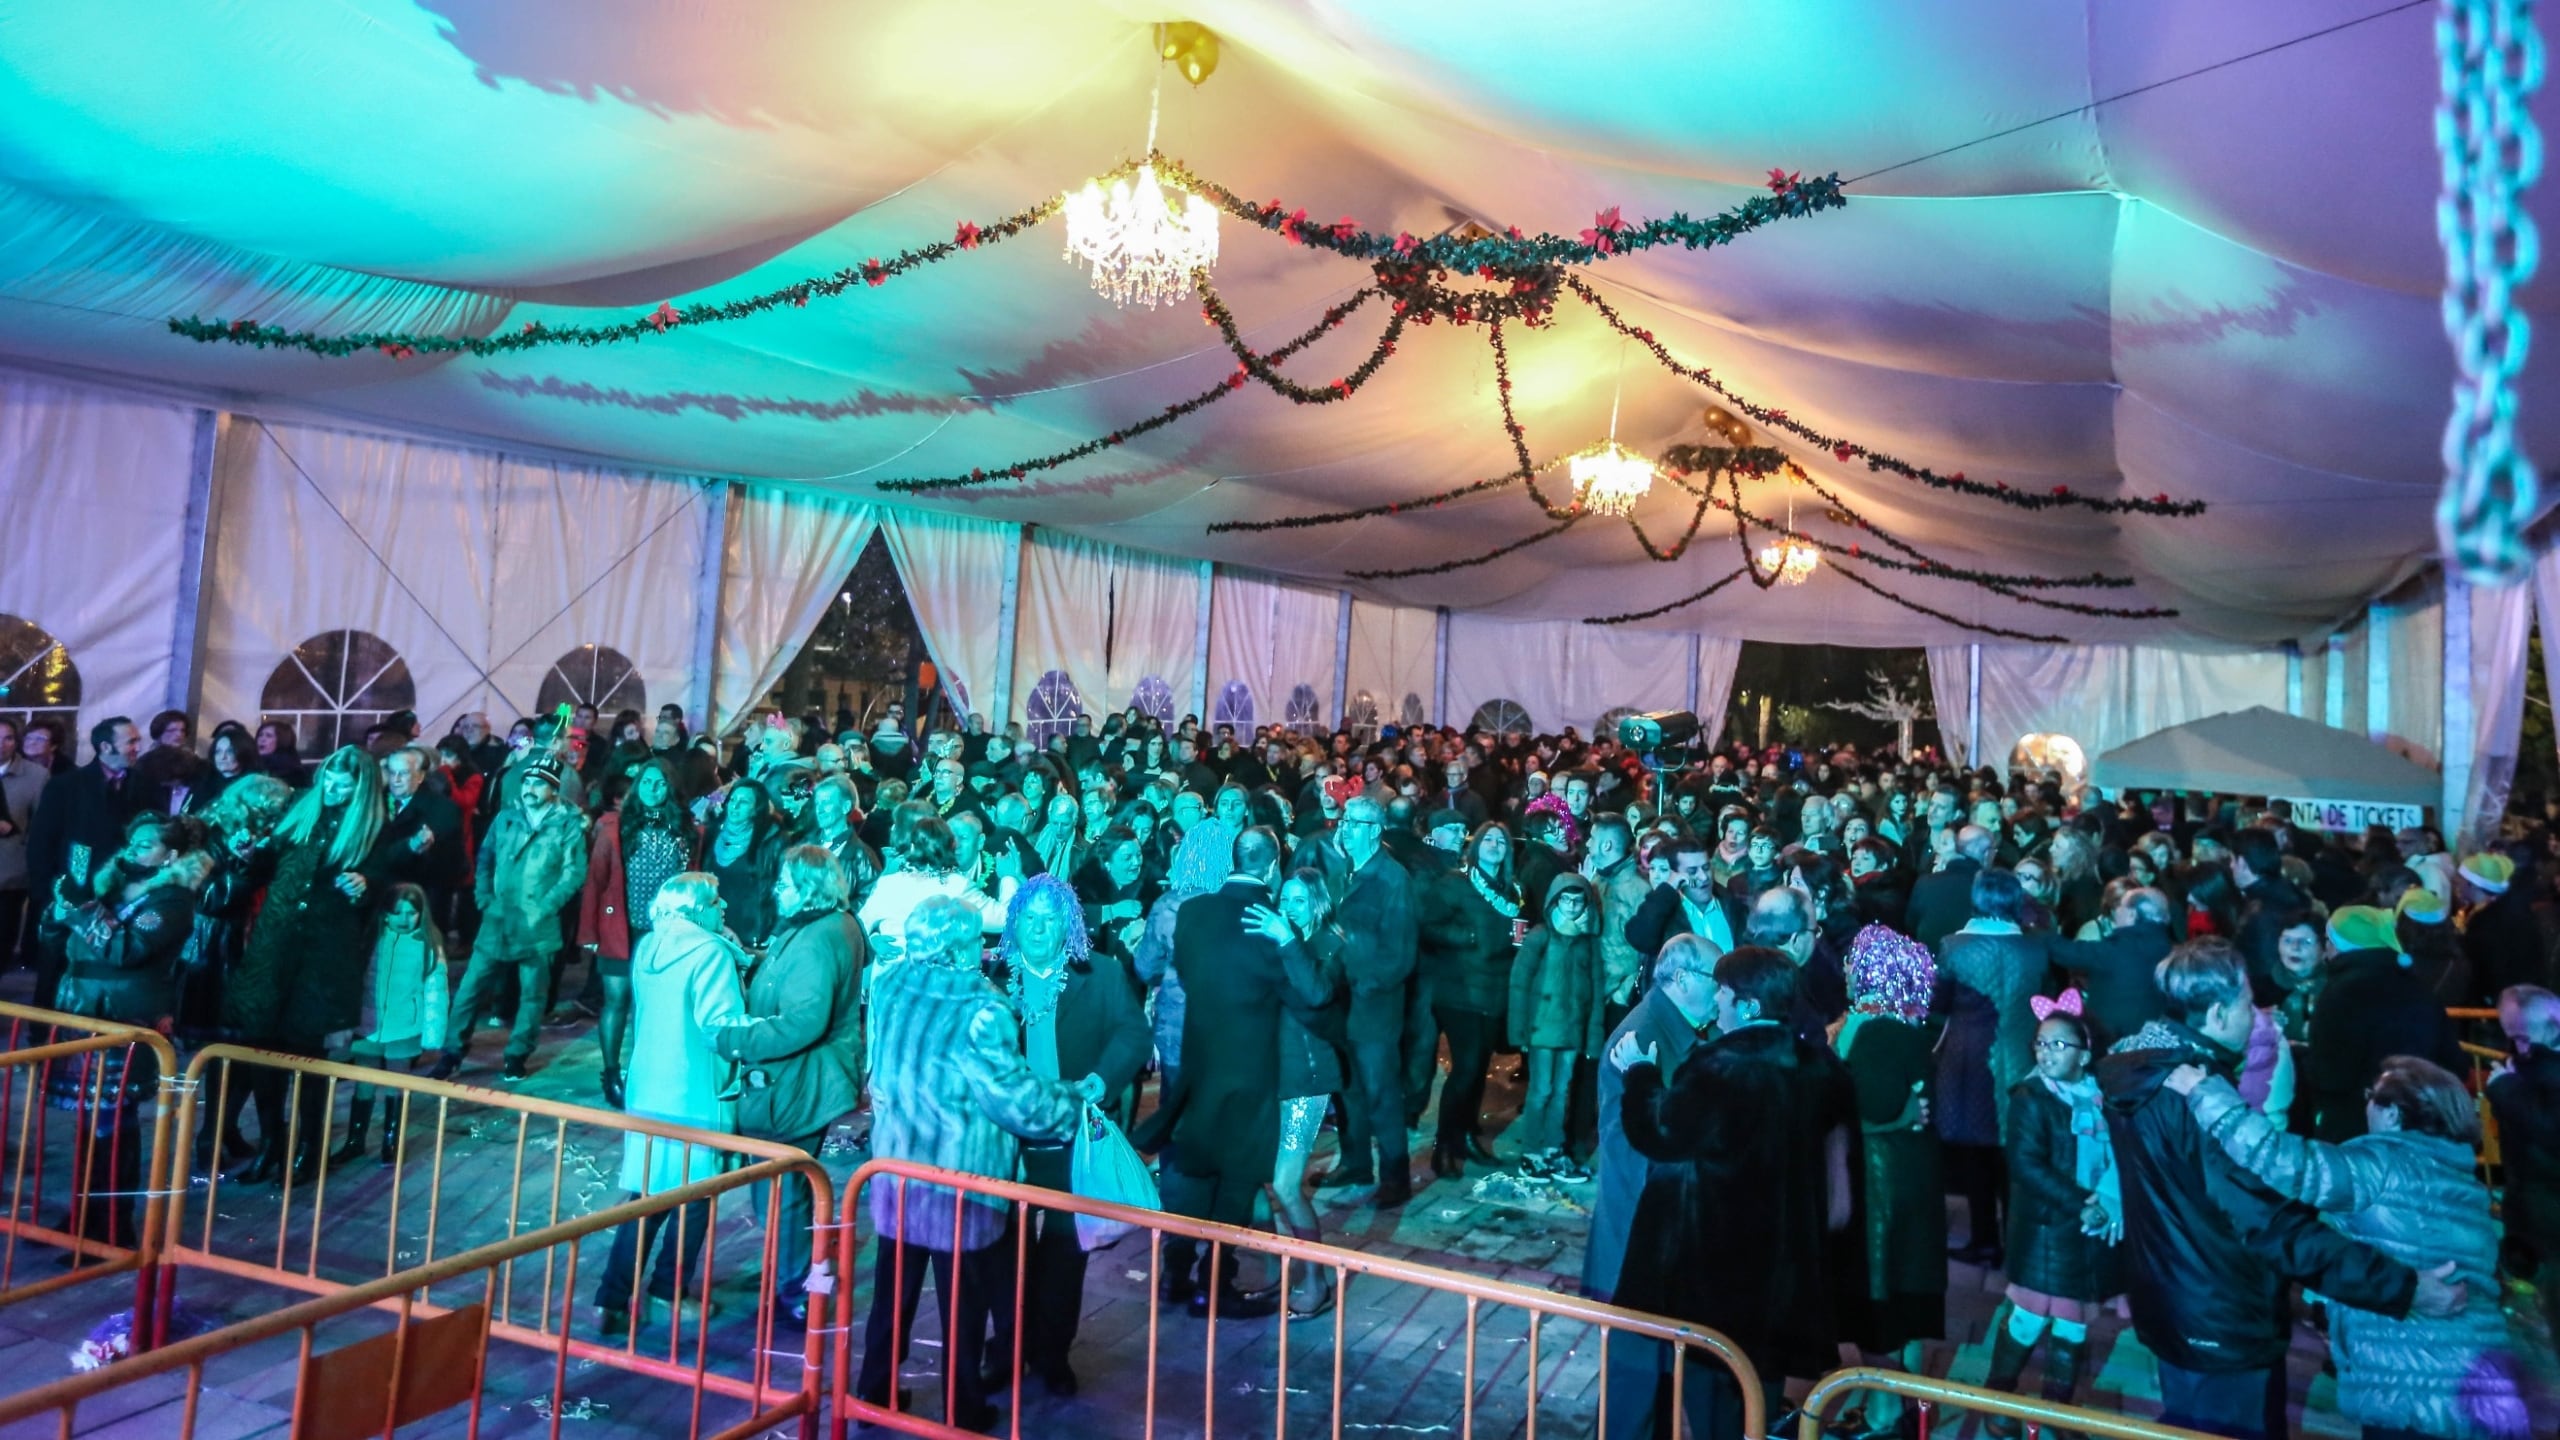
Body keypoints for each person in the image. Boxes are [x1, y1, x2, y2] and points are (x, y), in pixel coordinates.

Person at [2096, 939, 2458, 1440]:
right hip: (2221, 1313)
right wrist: (2404, 1287)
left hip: (2175, 1297)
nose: (2257, 1013)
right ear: (2219, 1013)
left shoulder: (2143, 1071)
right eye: (2248, 1003)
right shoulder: (2196, 1099)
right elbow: (2269, 1225)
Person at [2163, 1055, 2529, 1440]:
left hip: (2415, 1389)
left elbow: (2286, 1162)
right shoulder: (2465, 1185)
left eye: (2372, 1097)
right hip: (2485, 1385)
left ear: (2392, 1113)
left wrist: (2206, 1094)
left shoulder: (2381, 1163)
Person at [1605, 947, 1858, 1440]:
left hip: (1716, 1273)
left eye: (1722, 990)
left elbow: (1660, 1132)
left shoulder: (1722, 1068)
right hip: (1784, 1270)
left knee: (1714, 1395)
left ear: (1746, 1005)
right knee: (1757, 1396)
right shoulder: (1821, 1068)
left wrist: (1639, 1073)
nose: (1715, 999)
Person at [856, 895, 1088, 1432]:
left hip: (897, 1169)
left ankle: (874, 1392)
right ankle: (962, 1407)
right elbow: (1011, 1097)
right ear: (962, 947)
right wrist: (1068, 1106)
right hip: (960, 1178)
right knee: (963, 1300)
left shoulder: (889, 984)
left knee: (893, 1292)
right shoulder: (980, 1008)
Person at [1135, 826, 1328, 1320]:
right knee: (1237, 1183)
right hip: (1248, 1077)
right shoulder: (1267, 921)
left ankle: (1175, 1273)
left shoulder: (1193, 913)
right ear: (1271, 865)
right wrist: (1287, 942)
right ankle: (1213, 1286)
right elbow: (1312, 995)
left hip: (1195, 1066)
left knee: (1190, 1175)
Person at [979, 874, 1149, 1394]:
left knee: (1062, 1254)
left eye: (1049, 920)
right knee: (1003, 1252)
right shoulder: (990, 974)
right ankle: (1004, 1350)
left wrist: (1103, 1077)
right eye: (1028, 919)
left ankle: (1052, 1352)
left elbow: (1132, 1032)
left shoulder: (1099, 973)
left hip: (1068, 1134)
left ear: (1068, 924)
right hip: (1004, 1137)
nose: (1037, 929)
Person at [222, 745, 394, 1185]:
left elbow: (386, 880)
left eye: (345, 782)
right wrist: (249, 853)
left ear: (362, 787)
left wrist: (367, 882)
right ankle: (271, 1143)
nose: (334, 788)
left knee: (309, 1056)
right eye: (330, 778)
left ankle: (310, 1150)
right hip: (273, 947)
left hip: (321, 953)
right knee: (262, 1046)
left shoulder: (373, 828)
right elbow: (267, 866)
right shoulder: (301, 809)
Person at [594, 874, 751, 1337]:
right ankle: (668, 1289)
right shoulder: (710, 954)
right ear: (694, 907)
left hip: (651, 1085)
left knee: (647, 1192)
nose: (722, 905)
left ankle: (613, 1296)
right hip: (694, 1088)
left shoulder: (649, 948)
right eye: (714, 899)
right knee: (695, 1194)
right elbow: (720, 1025)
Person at [714, 845, 865, 1325]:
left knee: (782, 1190)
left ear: (809, 889)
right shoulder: (821, 926)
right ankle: (796, 1275)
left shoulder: (819, 938)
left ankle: (797, 1286)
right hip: (804, 1083)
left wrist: (734, 1039)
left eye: (786, 883)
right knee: (787, 1187)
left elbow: (803, 1021)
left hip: (799, 1085)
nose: (777, 890)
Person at [48, 819, 211, 1245]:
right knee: (88, 1121)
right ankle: (82, 1219)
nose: (133, 851)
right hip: (83, 1008)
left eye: (146, 845)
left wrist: (83, 910)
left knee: (114, 1123)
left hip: (125, 1019)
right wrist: (60, 908)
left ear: (171, 856)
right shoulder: (112, 886)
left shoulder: (172, 901)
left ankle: (115, 1227)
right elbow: (59, 939)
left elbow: (127, 951)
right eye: (131, 842)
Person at [1982, 994, 2123, 1430]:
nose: (2046, 1053)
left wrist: (2108, 1199)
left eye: (2058, 1045)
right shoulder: (2031, 1097)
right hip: (2047, 1228)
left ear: (2085, 1052)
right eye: (2041, 1044)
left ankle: (2055, 1414)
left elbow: (2120, 1151)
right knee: (2027, 1317)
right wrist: (2084, 1202)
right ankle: (1997, 1405)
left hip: (2089, 1229)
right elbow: (2026, 1165)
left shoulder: (2103, 1096)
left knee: (2073, 1324)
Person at [1835, 924, 1945, 1434]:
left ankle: (1884, 1410)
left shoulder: (1877, 1031)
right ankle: (1905, 1401)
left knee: (1882, 1292)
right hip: (1907, 1177)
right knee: (1907, 1293)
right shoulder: (1904, 1029)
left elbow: (1874, 1108)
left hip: (1881, 1182)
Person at [435, 754, 587, 1082]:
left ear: (553, 789)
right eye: (528, 782)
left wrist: (547, 905)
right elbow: (486, 857)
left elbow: (573, 872)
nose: (530, 788)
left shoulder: (567, 824)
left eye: (539, 783)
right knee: (470, 989)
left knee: (533, 994)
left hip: (537, 923)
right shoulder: (506, 817)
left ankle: (518, 1053)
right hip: (498, 918)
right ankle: (452, 1051)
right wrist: (484, 898)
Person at [1585, 934, 1715, 1304]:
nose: (1720, 991)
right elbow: (1629, 1137)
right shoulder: (1643, 1037)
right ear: (1683, 979)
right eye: (1713, 978)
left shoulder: (1677, 1028)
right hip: (1640, 1207)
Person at [576, 757, 699, 1108]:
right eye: (646, 782)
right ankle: (611, 1072)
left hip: (667, 930)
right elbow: (595, 881)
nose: (652, 790)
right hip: (620, 928)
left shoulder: (686, 828)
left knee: (654, 1004)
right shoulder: (614, 826)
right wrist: (589, 931)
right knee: (616, 1000)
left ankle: (647, 1070)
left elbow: (694, 879)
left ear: (671, 789)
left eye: (660, 783)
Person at [1937, 867, 2045, 1267]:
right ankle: (2019, 1243)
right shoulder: (2035, 949)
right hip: (2021, 1055)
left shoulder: (1954, 945)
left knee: (1977, 1156)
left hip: (1969, 1057)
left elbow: (1939, 1001)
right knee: (2013, 1155)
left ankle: (1985, 1241)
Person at [1316, 795, 1418, 1203]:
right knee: (1349, 1087)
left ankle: (1396, 1176)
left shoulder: (1393, 880)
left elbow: (1401, 952)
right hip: (1343, 1000)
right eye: (1343, 821)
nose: (1345, 828)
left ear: (1374, 831)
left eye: (1354, 823)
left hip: (1374, 1005)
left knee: (1380, 1090)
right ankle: (1355, 1161)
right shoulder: (1345, 872)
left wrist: (1367, 982)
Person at [1262, 867, 1348, 1316]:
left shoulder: (1330, 946)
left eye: (1298, 900)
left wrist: (1287, 941)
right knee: (1266, 1181)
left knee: (1286, 1184)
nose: (1288, 908)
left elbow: (1316, 994)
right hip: (1274, 1076)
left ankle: (1316, 1279)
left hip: (1308, 1081)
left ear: (1317, 903)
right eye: (1285, 899)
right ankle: (1286, 1266)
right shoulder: (1283, 945)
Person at [2303, 905, 2464, 1141]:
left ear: (2338, 945)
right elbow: (2450, 1058)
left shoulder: (2340, 994)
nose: (2326, 950)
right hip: (2419, 1120)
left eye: (2327, 941)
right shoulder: (2416, 987)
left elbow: (2331, 1074)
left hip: (2356, 1125)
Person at [1417, 820, 1522, 1178]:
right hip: (1459, 991)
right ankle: (1444, 1146)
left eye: (1501, 841)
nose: (1495, 845)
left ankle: (1465, 1135)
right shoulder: (1455, 884)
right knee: (1466, 1068)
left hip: (1495, 990)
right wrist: (1467, 935)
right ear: (1475, 847)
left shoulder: (1512, 890)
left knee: (1478, 1070)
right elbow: (1428, 925)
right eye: (1488, 839)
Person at [326, 882, 448, 1167]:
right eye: (397, 912)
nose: (404, 919)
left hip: (405, 1026)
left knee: (397, 1083)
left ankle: (391, 1140)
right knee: (364, 1082)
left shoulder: (428, 945)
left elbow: (436, 993)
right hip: (369, 1023)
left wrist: (433, 1035)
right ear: (385, 913)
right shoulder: (373, 939)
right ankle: (355, 1140)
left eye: (411, 913)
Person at [26, 715, 143, 1006]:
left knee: (109, 966)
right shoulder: (67, 785)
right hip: (72, 893)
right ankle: (44, 1035)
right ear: (106, 747)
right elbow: (41, 842)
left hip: (123, 896)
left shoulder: (145, 785)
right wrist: (46, 894)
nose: (137, 747)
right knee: (57, 965)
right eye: (130, 741)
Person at [1508, 872, 1604, 1181]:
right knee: (1541, 1091)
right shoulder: (1540, 936)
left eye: (1579, 901)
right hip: (1542, 1027)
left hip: (1572, 1028)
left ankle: (1552, 1148)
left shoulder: (1588, 940)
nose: (1573, 906)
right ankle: (1532, 1151)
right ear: (1555, 901)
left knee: (1561, 1090)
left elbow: (1595, 991)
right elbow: (1520, 983)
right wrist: (1519, 1031)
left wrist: (1593, 1038)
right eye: (1567, 899)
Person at [2487, 985, 2560, 1340]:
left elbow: (2551, 1126)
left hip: (2547, 1192)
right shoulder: (2535, 1057)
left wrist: (2503, 1087)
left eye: (2520, 1037)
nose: (2517, 1047)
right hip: (2533, 1189)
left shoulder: (2545, 1066)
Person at [2044, 886, 2175, 1049]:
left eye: (2119, 906)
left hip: (2112, 1044)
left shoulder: (2116, 949)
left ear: (2131, 914)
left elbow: (2065, 952)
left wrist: (2037, 930)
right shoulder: (2173, 951)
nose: (2115, 912)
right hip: (2157, 1043)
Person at [1905, 824, 1993, 951]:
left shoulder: (1925, 883)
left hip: (1928, 960)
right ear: (1986, 854)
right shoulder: (1988, 888)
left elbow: (1911, 924)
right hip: (1970, 963)